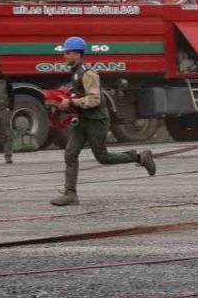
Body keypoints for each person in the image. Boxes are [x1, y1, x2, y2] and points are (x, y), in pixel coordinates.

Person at [50, 37, 155, 206]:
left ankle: (139, 157)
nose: (64, 56)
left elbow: (94, 100)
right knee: (70, 153)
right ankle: (70, 194)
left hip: (96, 120)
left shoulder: (88, 73)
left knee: (103, 157)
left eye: (67, 52)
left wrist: (71, 102)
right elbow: (79, 94)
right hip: (83, 119)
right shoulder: (76, 71)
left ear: (77, 53)